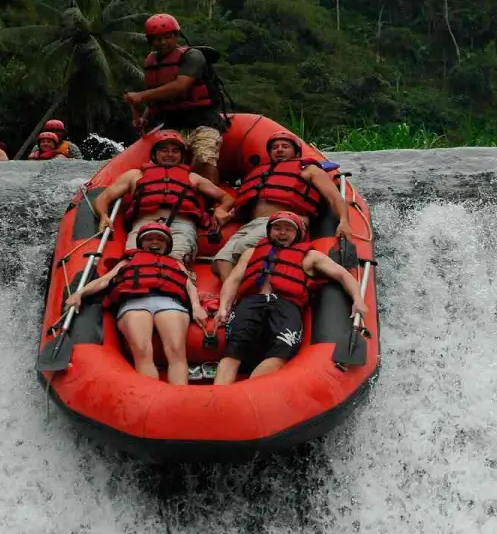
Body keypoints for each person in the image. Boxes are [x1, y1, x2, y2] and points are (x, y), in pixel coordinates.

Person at [212, 211, 367, 384]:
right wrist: (223, 308)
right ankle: (218, 396)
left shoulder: (310, 256)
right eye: (277, 228)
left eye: (288, 229)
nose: (282, 233)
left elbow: (343, 275)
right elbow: (233, 280)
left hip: (287, 306)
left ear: (298, 233)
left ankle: (248, 392)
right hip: (251, 302)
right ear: (269, 231)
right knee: (233, 351)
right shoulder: (252, 253)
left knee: (281, 353)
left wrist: (358, 300)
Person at [64, 222, 207, 385]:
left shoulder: (176, 263)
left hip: (170, 302)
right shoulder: (127, 261)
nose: (154, 242)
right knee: (142, 351)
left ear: (167, 245)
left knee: (176, 351)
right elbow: (104, 281)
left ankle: (180, 396)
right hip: (134, 303)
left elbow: (189, 286)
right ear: (141, 243)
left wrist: (196, 307)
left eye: (160, 239)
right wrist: (79, 293)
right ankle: (151, 398)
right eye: (149, 239)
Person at [212, 130, 353, 280]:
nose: (279, 149)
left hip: (285, 222)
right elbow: (243, 203)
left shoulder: (309, 170)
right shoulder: (260, 173)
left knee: (245, 246)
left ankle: (248, 293)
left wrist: (344, 221)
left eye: (285, 146)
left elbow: (334, 197)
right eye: (275, 147)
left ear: (296, 152)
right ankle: (232, 297)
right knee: (222, 260)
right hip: (253, 224)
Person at [93, 130, 233, 266]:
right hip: (144, 223)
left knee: (174, 263)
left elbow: (226, 197)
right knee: (134, 263)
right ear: (155, 154)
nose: (170, 154)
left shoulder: (193, 178)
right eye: (164, 150)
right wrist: (104, 216)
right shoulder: (135, 175)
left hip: (181, 226)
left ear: (181, 155)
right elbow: (103, 198)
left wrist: (222, 208)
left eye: (175, 151)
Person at [123, 13, 226, 183]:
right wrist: (144, 117)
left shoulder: (192, 56)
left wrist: (140, 96)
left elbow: (180, 86)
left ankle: (210, 204)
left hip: (203, 120)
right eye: (157, 39)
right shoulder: (151, 61)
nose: (162, 42)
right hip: (172, 122)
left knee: (204, 159)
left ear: (176, 36)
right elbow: (158, 96)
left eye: (167, 37)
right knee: (165, 163)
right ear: (150, 41)